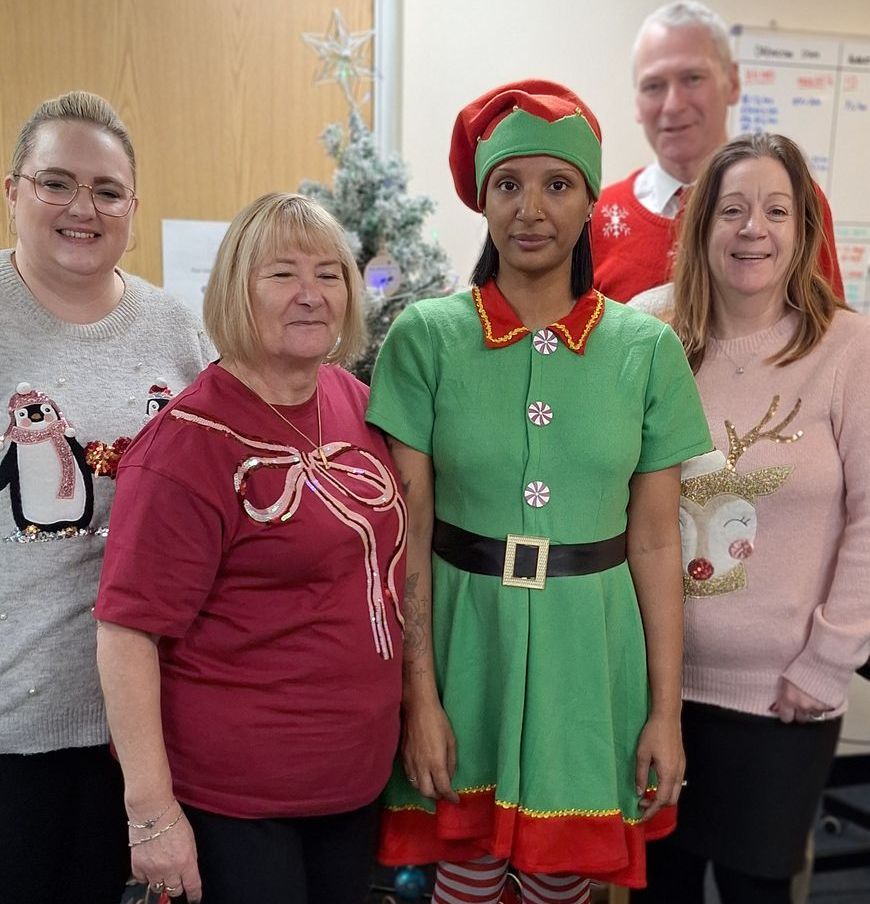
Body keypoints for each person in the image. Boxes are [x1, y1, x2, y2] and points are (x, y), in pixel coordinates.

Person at [366, 79, 713, 903]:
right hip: (463, 646)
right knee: (466, 872)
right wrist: (420, 699)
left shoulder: (645, 350)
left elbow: (658, 543)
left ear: (591, 199)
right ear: (483, 199)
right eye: (508, 185)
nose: (531, 208)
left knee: (563, 879)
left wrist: (666, 711)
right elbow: (405, 532)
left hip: (590, 656)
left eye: (557, 184)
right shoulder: (426, 338)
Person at [94, 192, 407, 904]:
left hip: (351, 784)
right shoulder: (185, 447)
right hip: (237, 804)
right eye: (282, 275)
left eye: (329, 274)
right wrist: (150, 815)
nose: (311, 295)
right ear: (237, 287)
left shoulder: (351, 400)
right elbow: (126, 634)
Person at [632, 132, 870, 904]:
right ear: (702, 227)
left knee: (756, 891)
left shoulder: (849, 347)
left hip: (780, 700)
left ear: (803, 229)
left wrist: (828, 661)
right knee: (655, 890)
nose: (752, 229)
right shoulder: (647, 334)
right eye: (731, 210)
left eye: (775, 210)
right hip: (650, 689)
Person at [0, 90, 211, 904]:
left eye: (106, 190)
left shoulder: (176, 330)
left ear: (133, 207)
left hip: (144, 732)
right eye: (56, 183)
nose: (81, 208)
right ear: (13, 192)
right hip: (14, 728)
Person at [590, 1, 844, 303]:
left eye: (693, 78)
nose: (673, 105)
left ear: (733, 82)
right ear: (637, 102)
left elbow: (830, 336)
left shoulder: (795, 202)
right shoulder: (594, 217)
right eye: (654, 86)